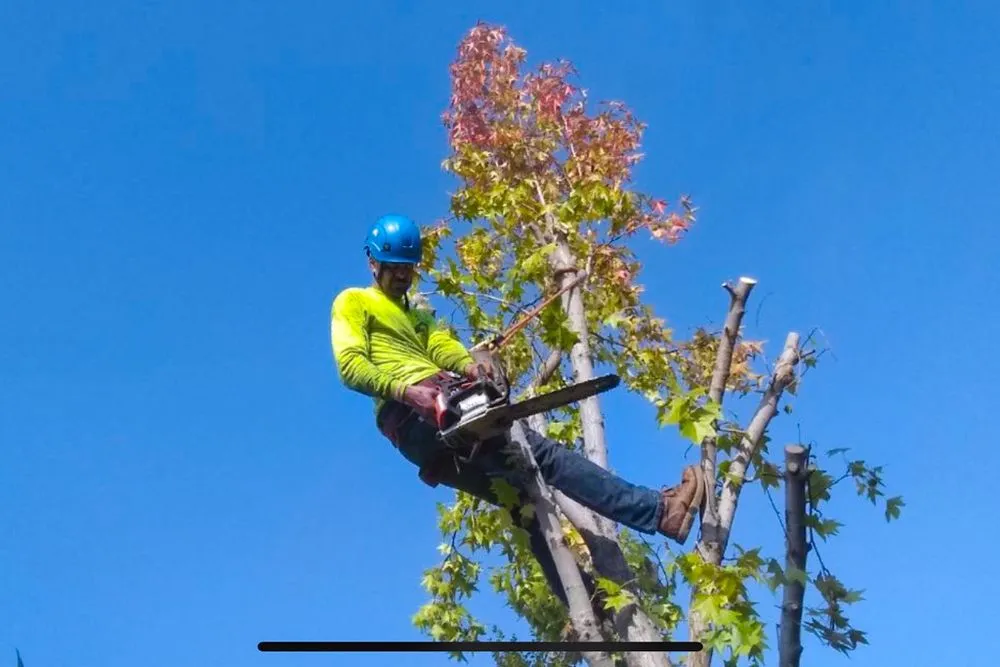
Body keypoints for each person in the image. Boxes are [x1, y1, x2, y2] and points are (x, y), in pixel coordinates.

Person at [329, 213, 707, 616]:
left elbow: (440, 345)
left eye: (409, 269)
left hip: (433, 429)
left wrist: (470, 367)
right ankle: (660, 512)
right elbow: (350, 365)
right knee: (542, 456)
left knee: (522, 500)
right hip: (414, 418)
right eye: (395, 269)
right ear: (373, 262)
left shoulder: (417, 315)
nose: (403, 276)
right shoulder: (354, 301)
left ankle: (587, 605)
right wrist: (407, 392)